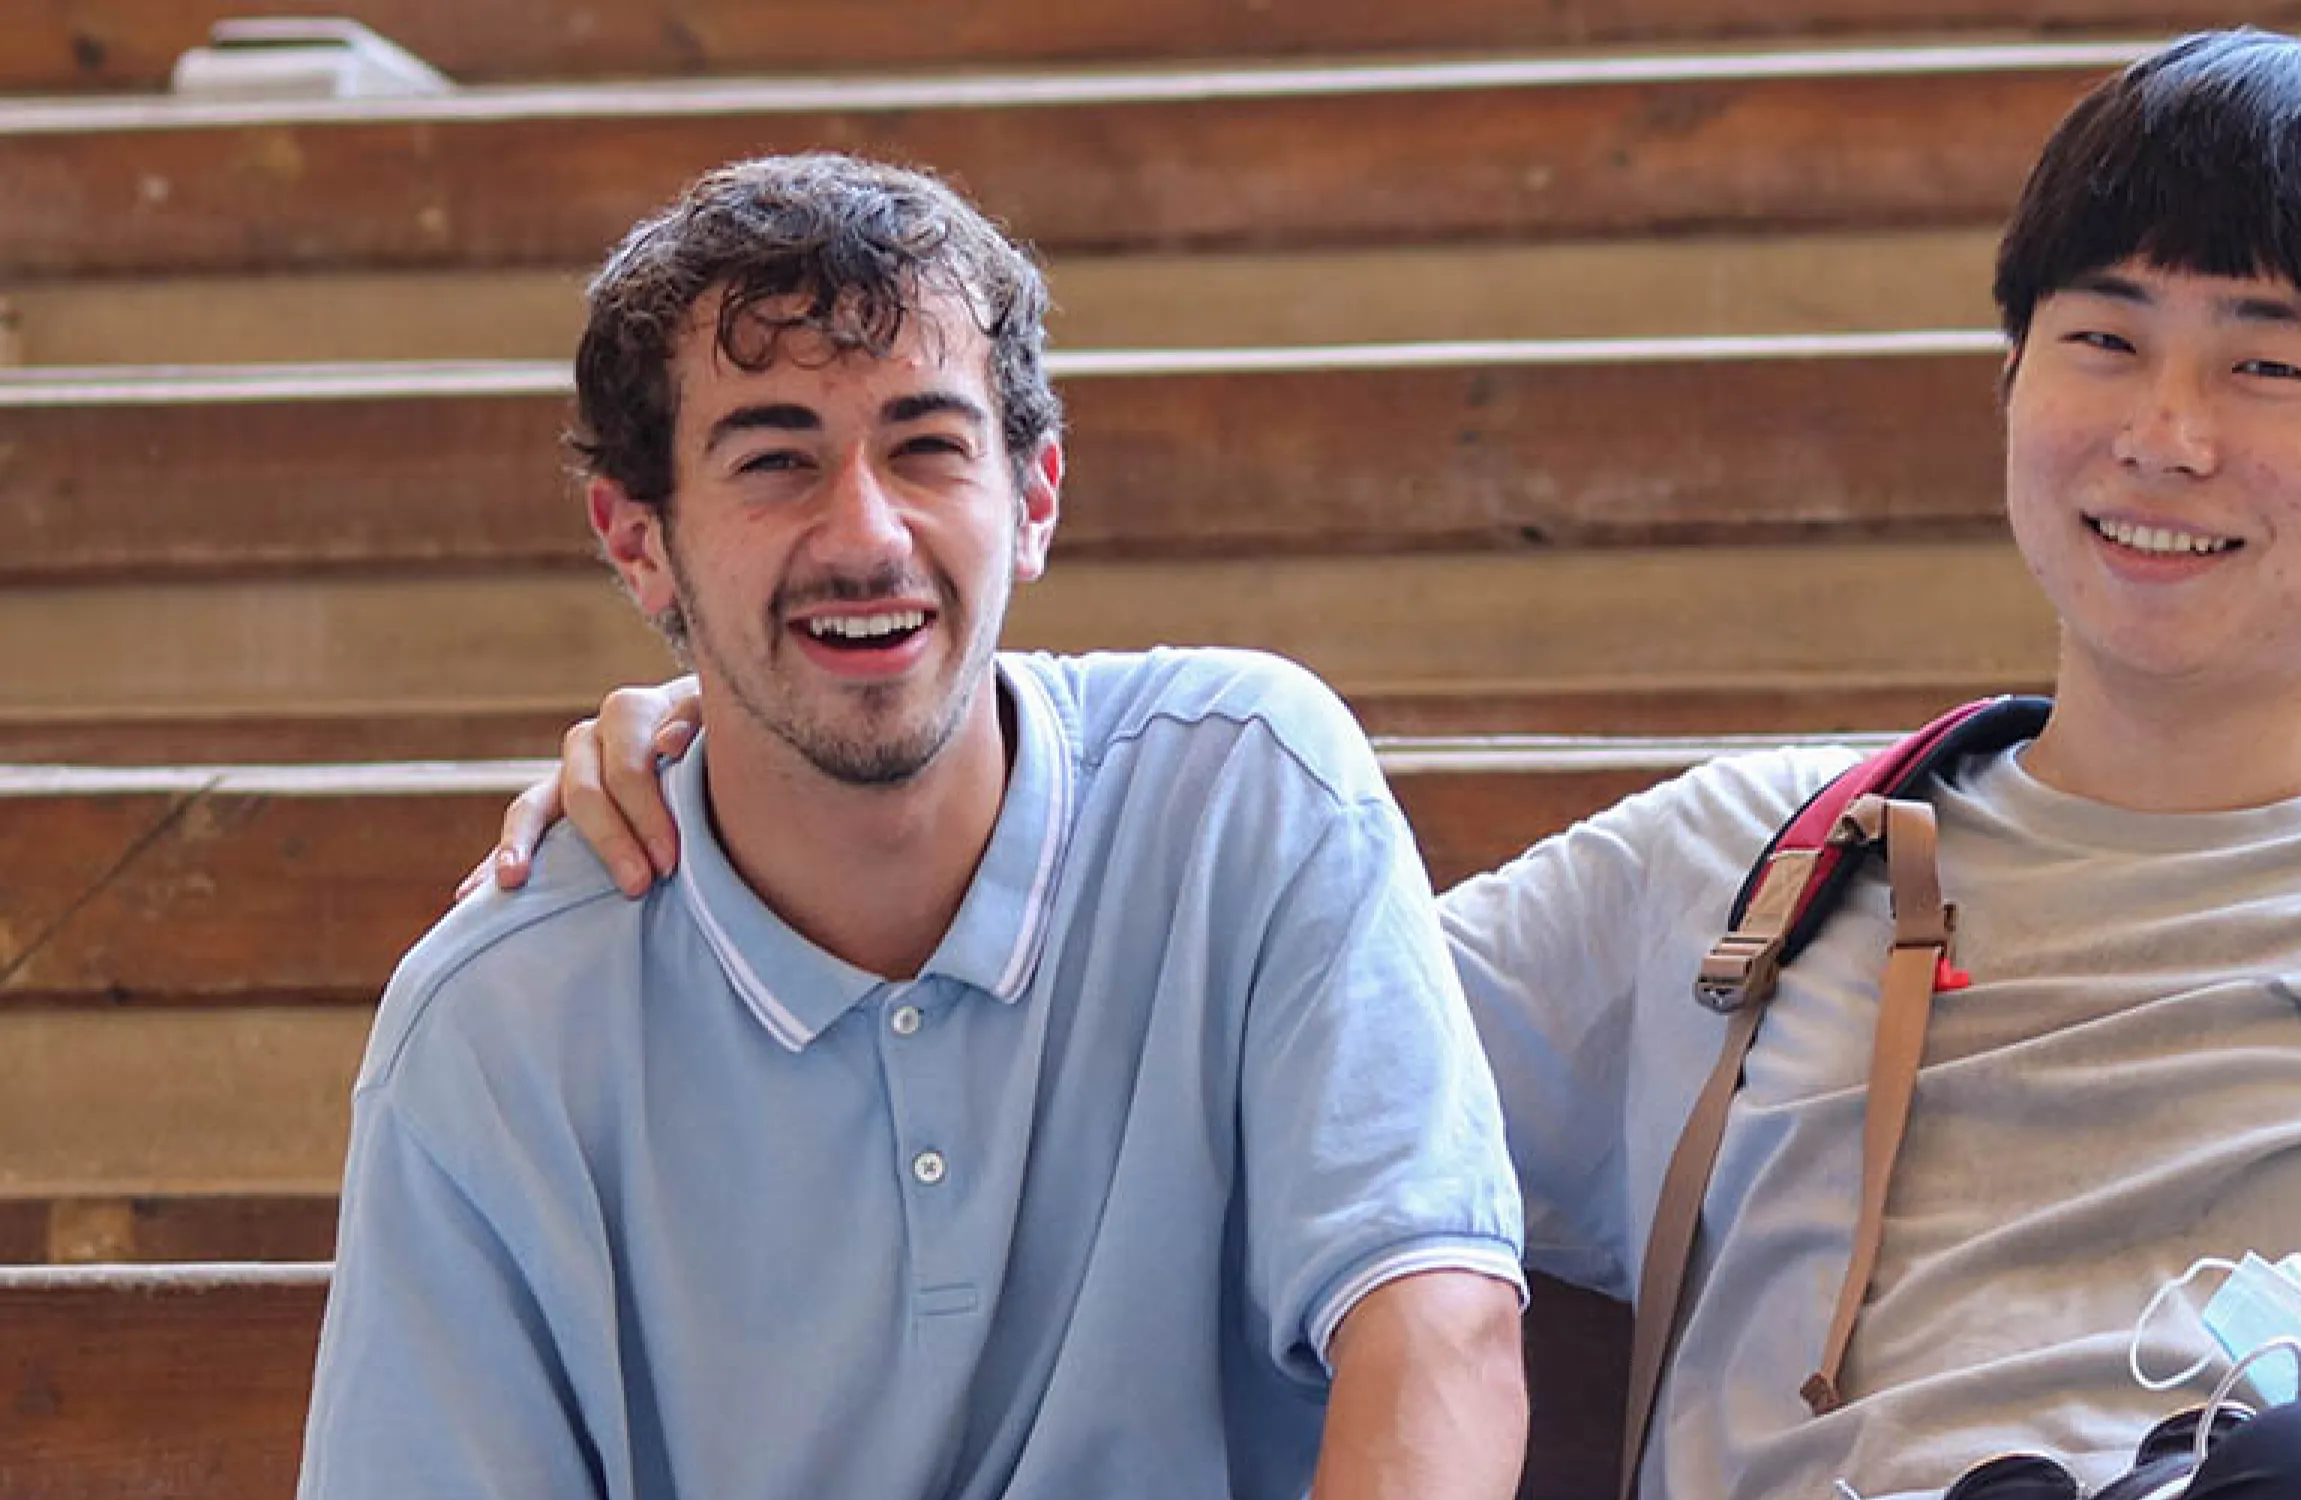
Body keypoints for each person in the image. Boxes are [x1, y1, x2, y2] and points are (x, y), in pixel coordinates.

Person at [480, 35, 2301, 1500]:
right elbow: (1199, 1046)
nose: (2160, 433)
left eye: (2275, 366)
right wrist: (804, 730)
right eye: (2098, 343)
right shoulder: (1751, 873)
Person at [303, 153, 1528, 1500]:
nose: (868, 532)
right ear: (638, 538)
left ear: (1035, 497)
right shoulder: (492, 1027)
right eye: (776, 459)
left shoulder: (1247, 793)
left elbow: (1441, 1328)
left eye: (927, 446)